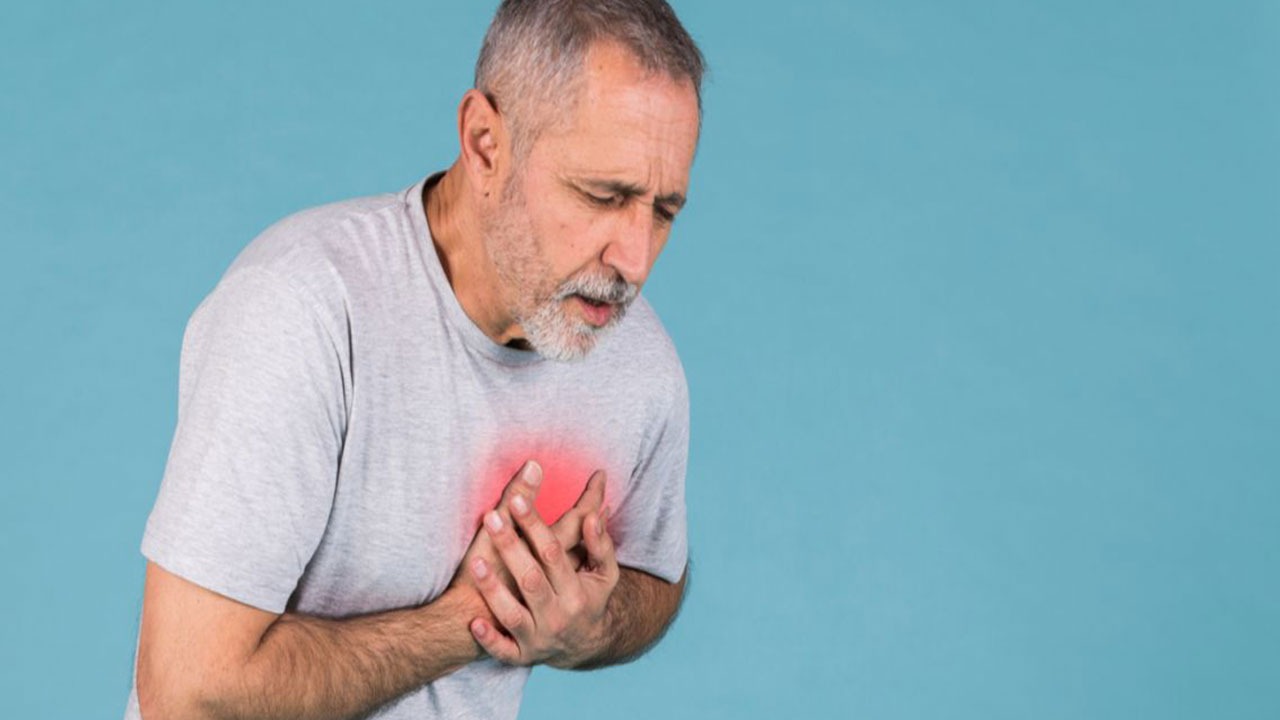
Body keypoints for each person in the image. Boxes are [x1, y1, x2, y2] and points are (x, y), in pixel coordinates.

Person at [123, 1, 705, 718]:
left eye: (664, 211)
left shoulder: (637, 359)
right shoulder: (305, 308)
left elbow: (654, 575)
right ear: (486, 144)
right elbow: (186, 689)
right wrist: (469, 622)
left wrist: (591, 625)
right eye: (602, 196)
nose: (635, 260)